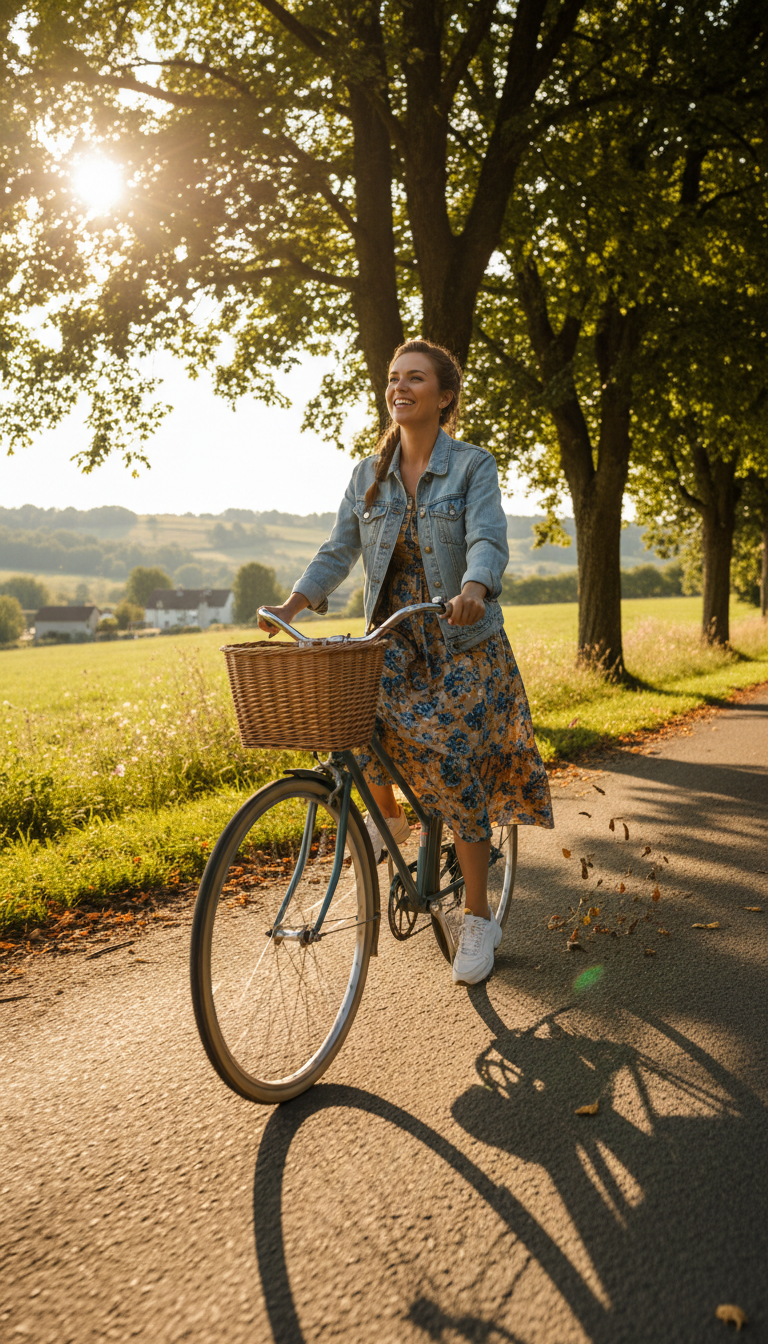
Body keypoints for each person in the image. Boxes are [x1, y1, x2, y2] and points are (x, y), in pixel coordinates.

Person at [259, 338, 553, 984]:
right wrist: (294, 603)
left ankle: (477, 915)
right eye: (393, 378)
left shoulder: (473, 466)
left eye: (415, 378)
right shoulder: (368, 475)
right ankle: (386, 820)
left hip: (460, 643)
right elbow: (337, 551)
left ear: (443, 396)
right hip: (395, 641)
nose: (400, 387)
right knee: (347, 718)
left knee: (454, 766)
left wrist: (475, 587)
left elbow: (487, 537)